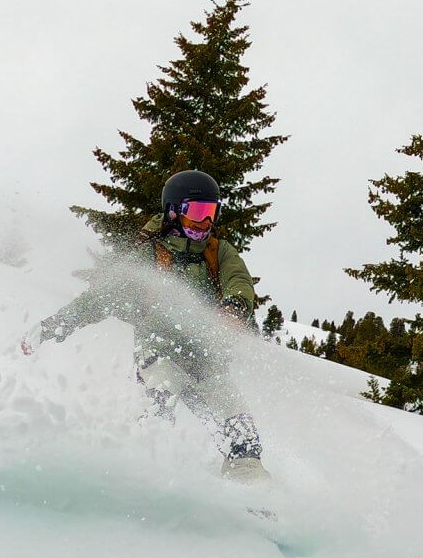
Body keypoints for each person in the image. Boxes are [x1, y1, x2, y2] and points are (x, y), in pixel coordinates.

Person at [21, 170, 269, 483]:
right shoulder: (148, 254)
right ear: (174, 211)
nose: (204, 223)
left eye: (210, 213)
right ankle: (144, 473)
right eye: (196, 213)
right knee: (161, 401)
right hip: (160, 352)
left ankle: (249, 485)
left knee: (242, 433)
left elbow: (239, 281)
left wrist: (234, 307)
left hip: (207, 361)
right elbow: (102, 296)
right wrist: (54, 325)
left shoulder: (218, 251)